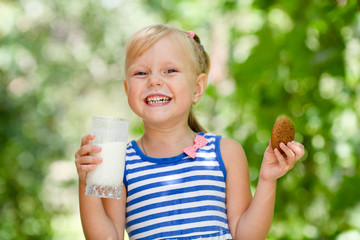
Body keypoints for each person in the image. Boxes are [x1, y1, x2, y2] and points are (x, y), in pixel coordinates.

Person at [74, 24, 305, 240]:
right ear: (127, 90)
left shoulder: (225, 153)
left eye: (170, 70)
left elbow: (246, 235)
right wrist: (87, 183)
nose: (154, 80)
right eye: (141, 73)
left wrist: (267, 180)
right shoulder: (121, 163)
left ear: (197, 87)